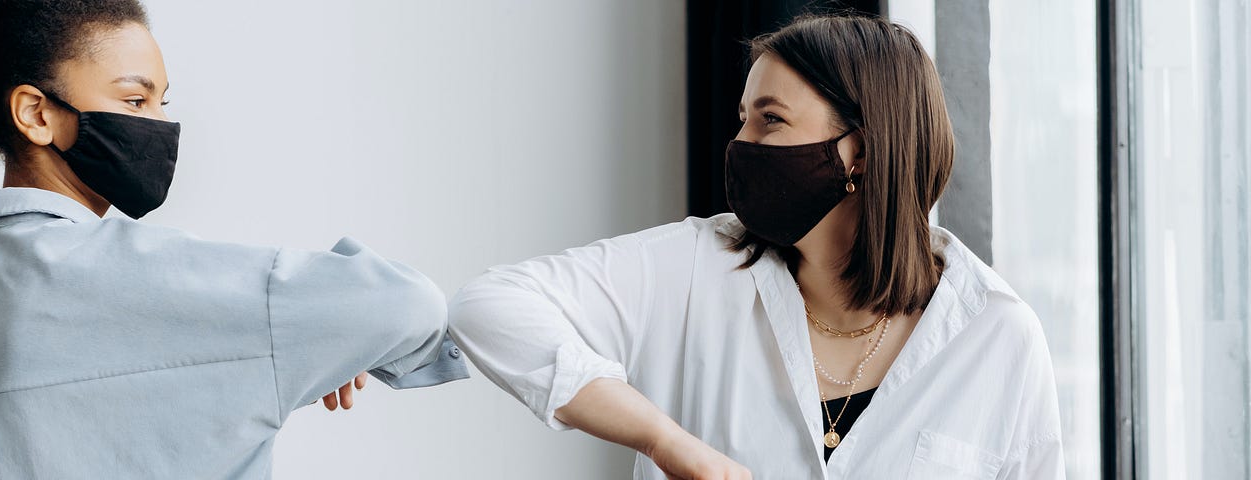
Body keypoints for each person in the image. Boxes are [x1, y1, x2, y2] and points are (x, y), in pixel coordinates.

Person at [449, 14, 1065, 480]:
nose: (740, 143)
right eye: (744, 117)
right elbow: (490, 305)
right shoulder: (696, 267)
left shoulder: (998, 336)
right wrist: (666, 441)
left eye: (770, 119)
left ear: (865, 153)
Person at [0, 1, 466, 478]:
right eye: (134, 100)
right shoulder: (160, 280)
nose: (158, 127)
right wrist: (320, 339)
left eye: (162, 102)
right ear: (35, 113)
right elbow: (408, 305)